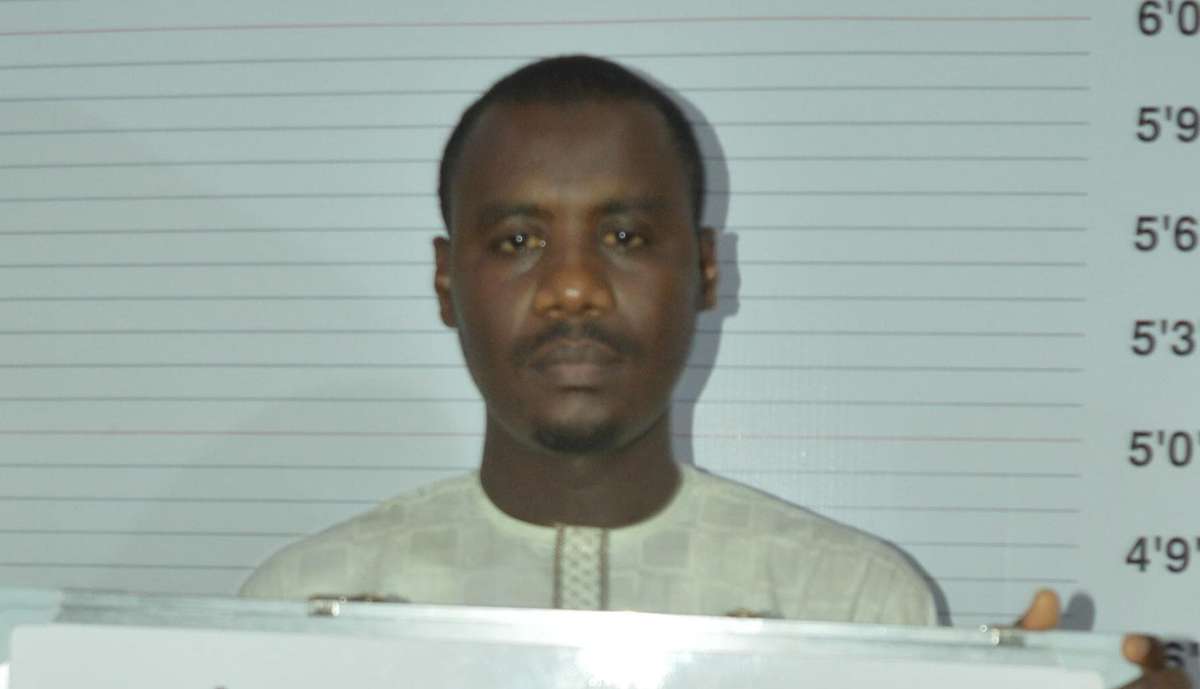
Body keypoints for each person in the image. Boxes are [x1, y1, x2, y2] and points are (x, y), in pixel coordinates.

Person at [241, 55, 1186, 686]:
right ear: (448, 282)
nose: (573, 287)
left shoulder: (859, 607)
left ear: (703, 271)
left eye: (624, 236)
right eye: (519, 239)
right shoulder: (295, 613)